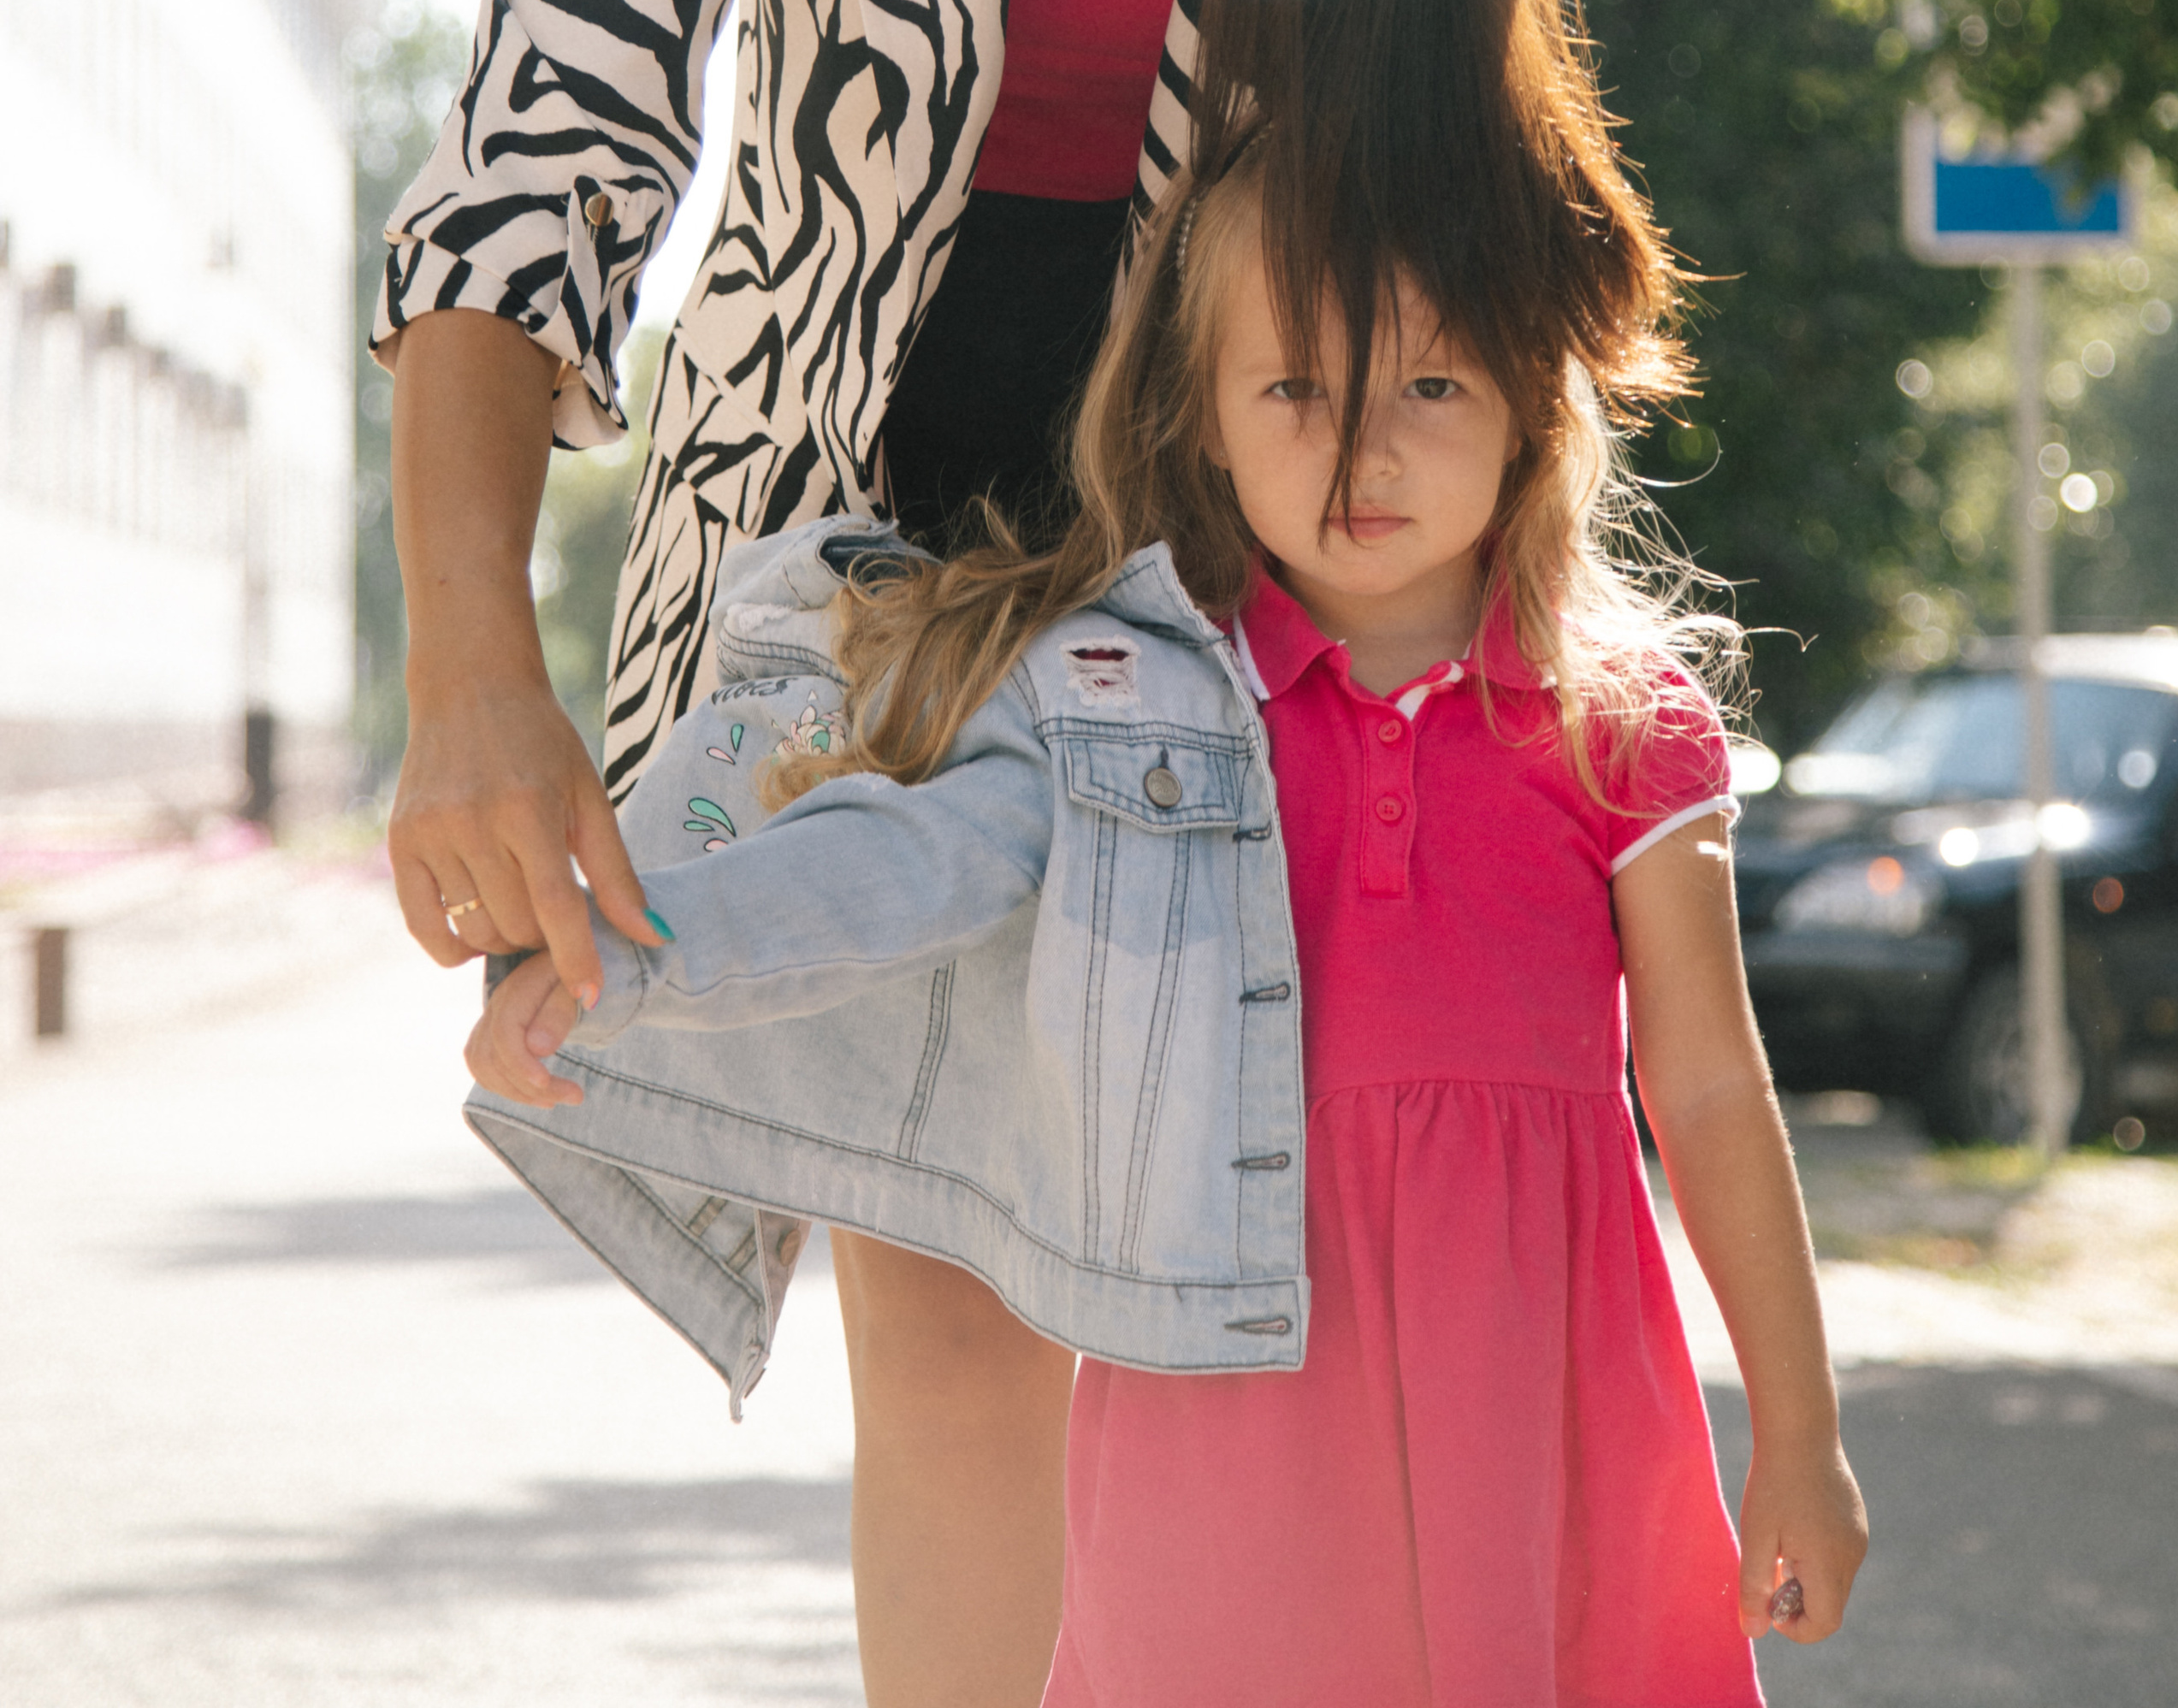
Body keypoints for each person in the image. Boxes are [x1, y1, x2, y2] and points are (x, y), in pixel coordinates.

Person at [378, 0, 1591, 1708]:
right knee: (951, 1316)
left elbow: (1461, 293)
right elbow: (553, 129)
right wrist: (473, 660)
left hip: (1214, 599)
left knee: (1224, 1336)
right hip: (845, 609)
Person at [466, 133, 1868, 1708]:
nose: (1364, 455)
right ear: (1206, 418)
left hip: (1542, 1415)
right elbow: (903, 864)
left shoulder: (1625, 723)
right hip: (1224, 1421)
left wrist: (1802, 1436)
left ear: (1530, 403)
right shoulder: (1130, 699)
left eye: (1430, 385)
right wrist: (632, 957)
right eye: (1298, 390)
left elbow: (1711, 1088)